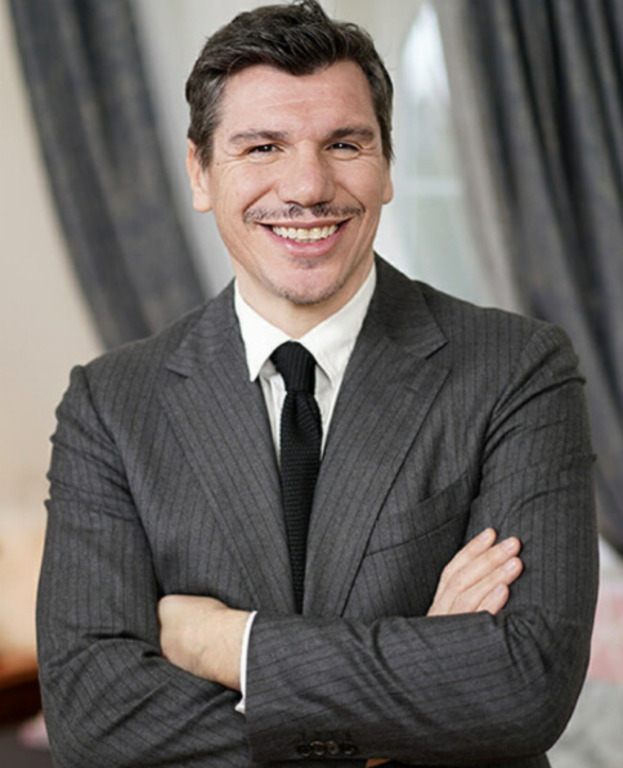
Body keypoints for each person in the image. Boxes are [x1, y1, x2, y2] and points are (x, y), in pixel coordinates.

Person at [37, 1, 598, 766]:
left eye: (343, 143)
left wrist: (226, 644)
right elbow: (90, 718)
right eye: (262, 146)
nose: (307, 186)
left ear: (386, 166)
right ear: (200, 171)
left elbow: (522, 686)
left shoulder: (517, 367)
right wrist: (407, 699)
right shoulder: (109, 404)